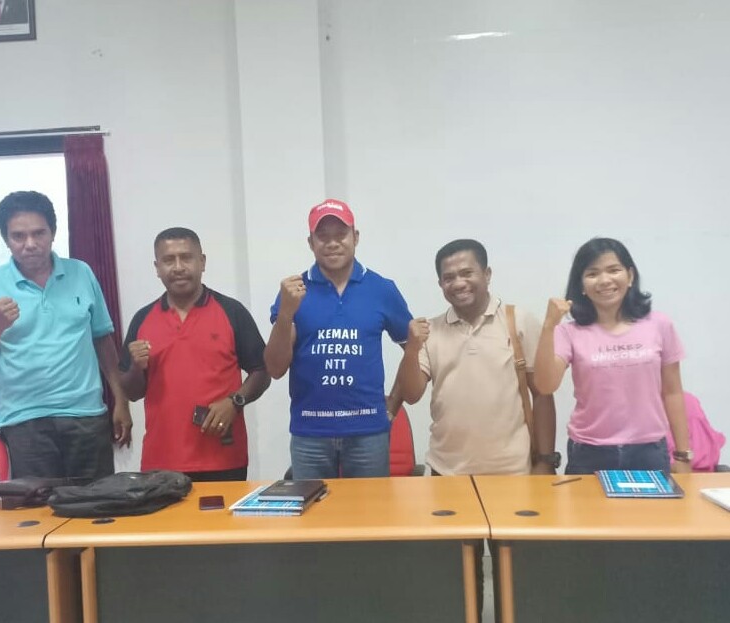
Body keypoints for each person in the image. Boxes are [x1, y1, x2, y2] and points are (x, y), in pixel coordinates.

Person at [0, 191, 132, 479]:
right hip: (24, 421)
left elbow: (103, 341)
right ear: (6, 239)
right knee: (37, 507)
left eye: (39, 233)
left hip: (86, 416)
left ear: (53, 232)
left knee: (97, 503)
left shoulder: (81, 273)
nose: (30, 244)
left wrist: (121, 400)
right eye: (18, 236)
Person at [264, 199, 412, 479]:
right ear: (311, 243)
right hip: (310, 433)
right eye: (323, 236)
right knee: (313, 508)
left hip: (368, 432)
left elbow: (415, 350)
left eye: (341, 234)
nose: (332, 243)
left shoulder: (382, 289)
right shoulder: (293, 291)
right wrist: (285, 314)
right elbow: (275, 368)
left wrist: (393, 404)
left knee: (371, 507)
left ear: (355, 237)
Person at [391, 239, 558, 476]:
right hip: (446, 471)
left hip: (512, 471)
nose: (459, 283)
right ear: (440, 284)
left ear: (487, 274)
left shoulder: (518, 321)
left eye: (467, 273)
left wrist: (546, 461)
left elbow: (542, 394)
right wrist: (411, 348)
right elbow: (411, 394)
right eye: (449, 278)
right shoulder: (430, 330)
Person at [120, 227, 270, 482]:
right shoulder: (143, 319)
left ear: (202, 262)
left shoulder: (231, 311)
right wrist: (136, 367)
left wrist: (235, 402)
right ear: (157, 268)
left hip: (223, 457)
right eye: (169, 260)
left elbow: (263, 371)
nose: (178, 267)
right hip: (161, 461)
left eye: (186, 258)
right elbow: (132, 392)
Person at [533, 237, 692, 474]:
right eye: (593, 273)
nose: (604, 280)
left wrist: (683, 454)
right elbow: (546, 385)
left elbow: (673, 392)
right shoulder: (568, 332)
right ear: (581, 285)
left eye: (613, 270)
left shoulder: (659, 325)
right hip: (589, 452)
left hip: (648, 450)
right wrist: (548, 326)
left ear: (630, 276)